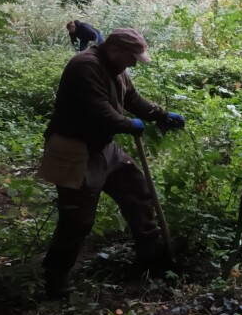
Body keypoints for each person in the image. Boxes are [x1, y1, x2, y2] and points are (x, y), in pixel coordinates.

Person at [37, 29, 185, 298]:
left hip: (105, 147)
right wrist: (128, 125)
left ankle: (151, 258)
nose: (133, 63)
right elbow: (98, 110)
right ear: (115, 50)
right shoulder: (85, 66)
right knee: (77, 219)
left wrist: (160, 116)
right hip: (75, 148)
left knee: (137, 192)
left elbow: (131, 98)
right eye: (132, 57)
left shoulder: (115, 66)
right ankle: (56, 278)